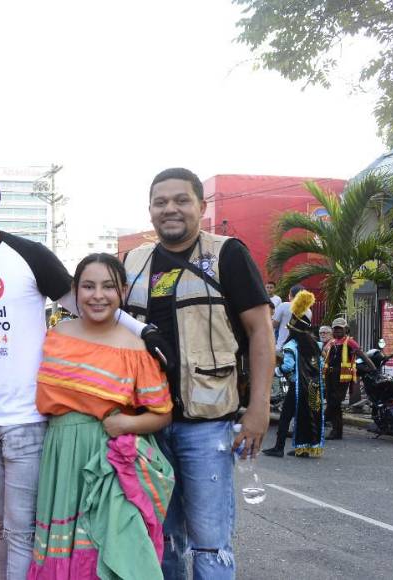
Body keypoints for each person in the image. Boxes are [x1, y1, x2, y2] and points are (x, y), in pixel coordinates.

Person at [0, 160, 167, 580]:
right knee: (3, 528)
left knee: (19, 531)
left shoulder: (28, 255)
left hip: (29, 419)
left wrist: (146, 332)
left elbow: (89, 301)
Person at [122, 167, 274, 579]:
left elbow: (260, 331)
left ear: (201, 207)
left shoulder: (227, 254)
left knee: (210, 543)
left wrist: (258, 408)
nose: (170, 209)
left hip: (206, 425)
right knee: (162, 538)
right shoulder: (133, 263)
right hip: (148, 426)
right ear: (150, 210)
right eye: (160, 202)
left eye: (181, 200)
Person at [29, 254, 174, 579]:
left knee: (104, 550)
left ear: (122, 290)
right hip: (62, 455)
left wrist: (129, 423)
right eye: (88, 286)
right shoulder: (57, 336)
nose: (98, 295)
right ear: (75, 290)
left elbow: (162, 413)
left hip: (108, 460)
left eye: (108, 286)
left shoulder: (136, 349)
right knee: (65, 550)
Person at [263, 290, 324, 458]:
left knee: (285, 417)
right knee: (307, 416)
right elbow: (321, 365)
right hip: (314, 386)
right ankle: (305, 448)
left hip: (297, 386)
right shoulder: (316, 344)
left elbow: (288, 367)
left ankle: (278, 447)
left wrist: (276, 371)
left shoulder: (291, 346)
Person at [321, 317, 374, 440]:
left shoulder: (350, 342)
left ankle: (321, 422)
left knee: (334, 402)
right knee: (333, 404)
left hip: (342, 378)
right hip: (330, 376)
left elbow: (363, 356)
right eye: (335, 329)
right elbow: (325, 353)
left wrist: (374, 369)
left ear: (346, 329)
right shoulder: (332, 342)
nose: (338, 331)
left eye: (340, 329)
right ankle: (336, 431)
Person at [272, 285, 309, 353]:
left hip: (283, 347)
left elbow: (274, 325)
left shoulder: (284, 306)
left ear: (291, 295)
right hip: (300, 348)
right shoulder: (309, 311)